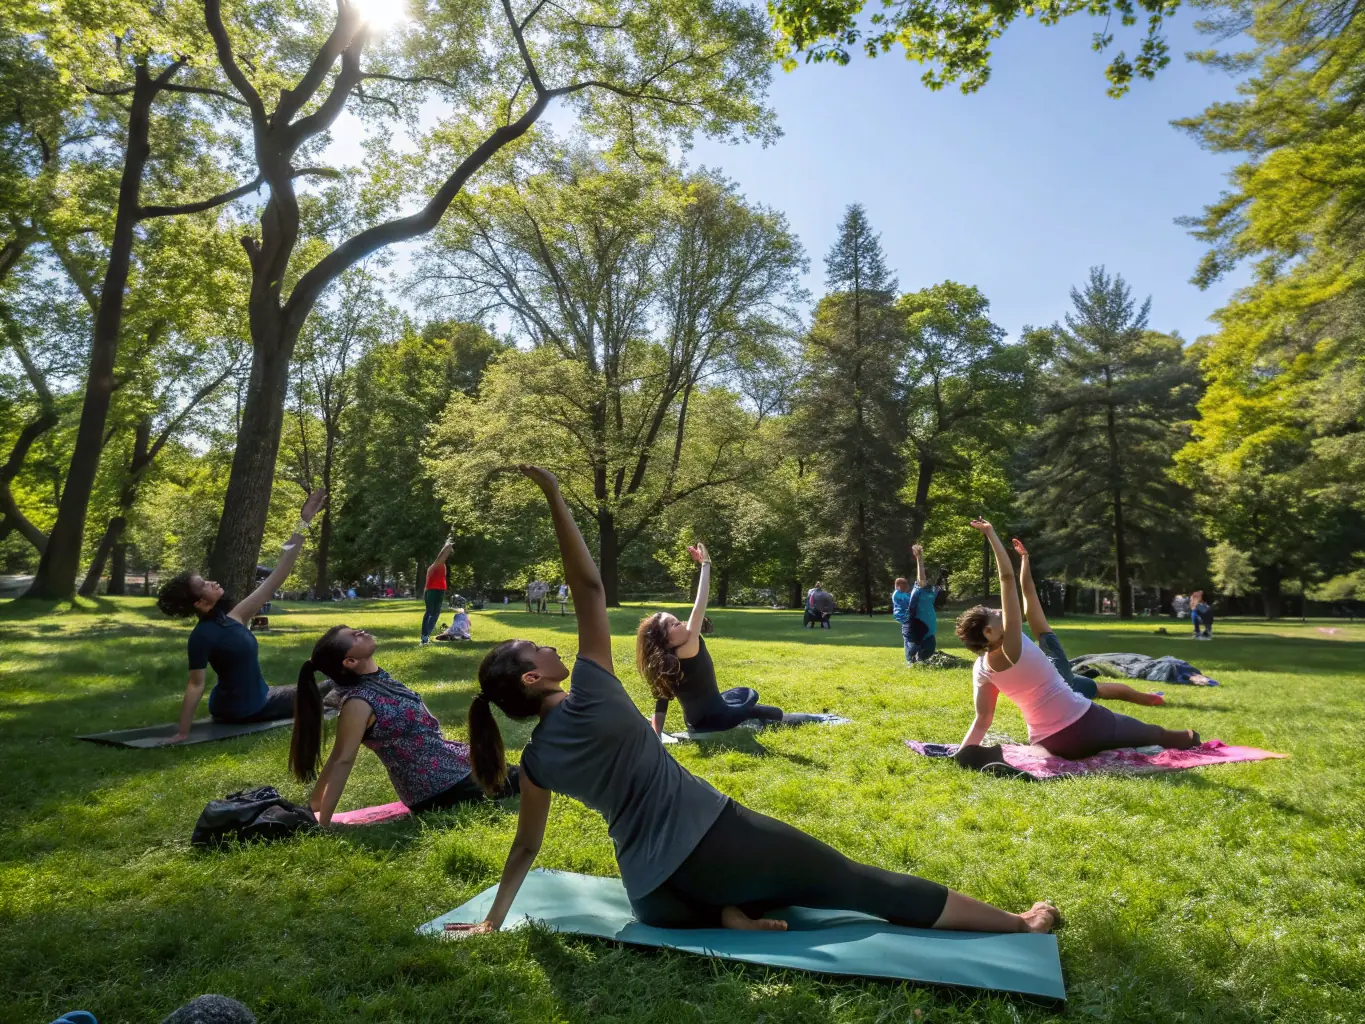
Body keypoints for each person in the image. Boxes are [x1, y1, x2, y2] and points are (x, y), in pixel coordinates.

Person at [454, 465, 1059, 937]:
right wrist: (556, 497)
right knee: (853, 882)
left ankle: (727, 913)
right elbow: (589, 585)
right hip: (713, 841)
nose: (544, 645)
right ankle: (1019, 923)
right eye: (533, 649)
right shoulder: (592, 691)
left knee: (776, 877)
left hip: (657, 898)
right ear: (533, 681)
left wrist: (494, 918)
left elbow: (527, 847)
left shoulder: (534, 764)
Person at [954, 520, 1199, 761]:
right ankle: (1187, 738)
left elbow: (982, 719)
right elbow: (1007, 579)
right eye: (994, 614)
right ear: (988, 632)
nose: (1001, 611)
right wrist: (990, 533)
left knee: (1127, 733)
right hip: (1085, 724)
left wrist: (961, 755)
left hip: (1049, 743)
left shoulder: (981, 668)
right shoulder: (1011, 648)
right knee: (1157, 734)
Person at [290, 625, 517, 824]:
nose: (360, 632)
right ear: (350, 662)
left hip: (451, 766)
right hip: (439, 787)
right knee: (523, 778)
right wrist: (324, 821)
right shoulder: (357, 702)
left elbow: (338, 756)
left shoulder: (378, 680)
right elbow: (342, 760)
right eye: (353, 636)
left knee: (516, 771)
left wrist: (315, 804)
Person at [155, 489, 330, 744]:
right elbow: (195, 685)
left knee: (304, 689)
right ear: (201, 603)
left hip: (246, 701)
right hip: (249, 709)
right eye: (204, 584)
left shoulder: (235, 617)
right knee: (332, 685)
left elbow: (277, 577)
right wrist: (183, 732)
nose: (212, 582)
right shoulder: (202, 636)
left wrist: (303, 522)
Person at [639, 542, 786, 736]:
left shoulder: (665, 662)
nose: (682, 624)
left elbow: (661, 701)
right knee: (776, 713)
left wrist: (657, 734)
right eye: (675, 625)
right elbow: (701, 601)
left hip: (695, 723)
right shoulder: (689, 646)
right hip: (719, 719)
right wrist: (705, 564)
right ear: (667, 641)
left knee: (736, 697)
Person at [1011, 538, 1164, 706]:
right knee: (1099, 688)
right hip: (1059, 679)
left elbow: (1027, 593)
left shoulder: (997, 657)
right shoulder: (1049, 656)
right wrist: (1024, 557)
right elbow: (1028, 593)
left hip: (1053, 685)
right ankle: (1150, 699)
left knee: (1099, 688)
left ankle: (1150, 698)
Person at [893, 544, 938, 664]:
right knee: (913, 657)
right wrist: (919, 558)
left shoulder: (929, 592)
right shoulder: (919, 592)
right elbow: (921, 578)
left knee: (926, 655)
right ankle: (913, 662)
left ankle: (917, 660)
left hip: (928, 630)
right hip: (917, 630)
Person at [421, 538, 453, 645]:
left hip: (439, 590)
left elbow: (443, 556)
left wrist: (447, 546)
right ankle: (424, 637)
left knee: (435, 613)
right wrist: (447, 545)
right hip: (432, 590)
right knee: (430, 612)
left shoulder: (442, 566)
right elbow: (441, 556)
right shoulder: (434, 566)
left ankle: (426, 636)